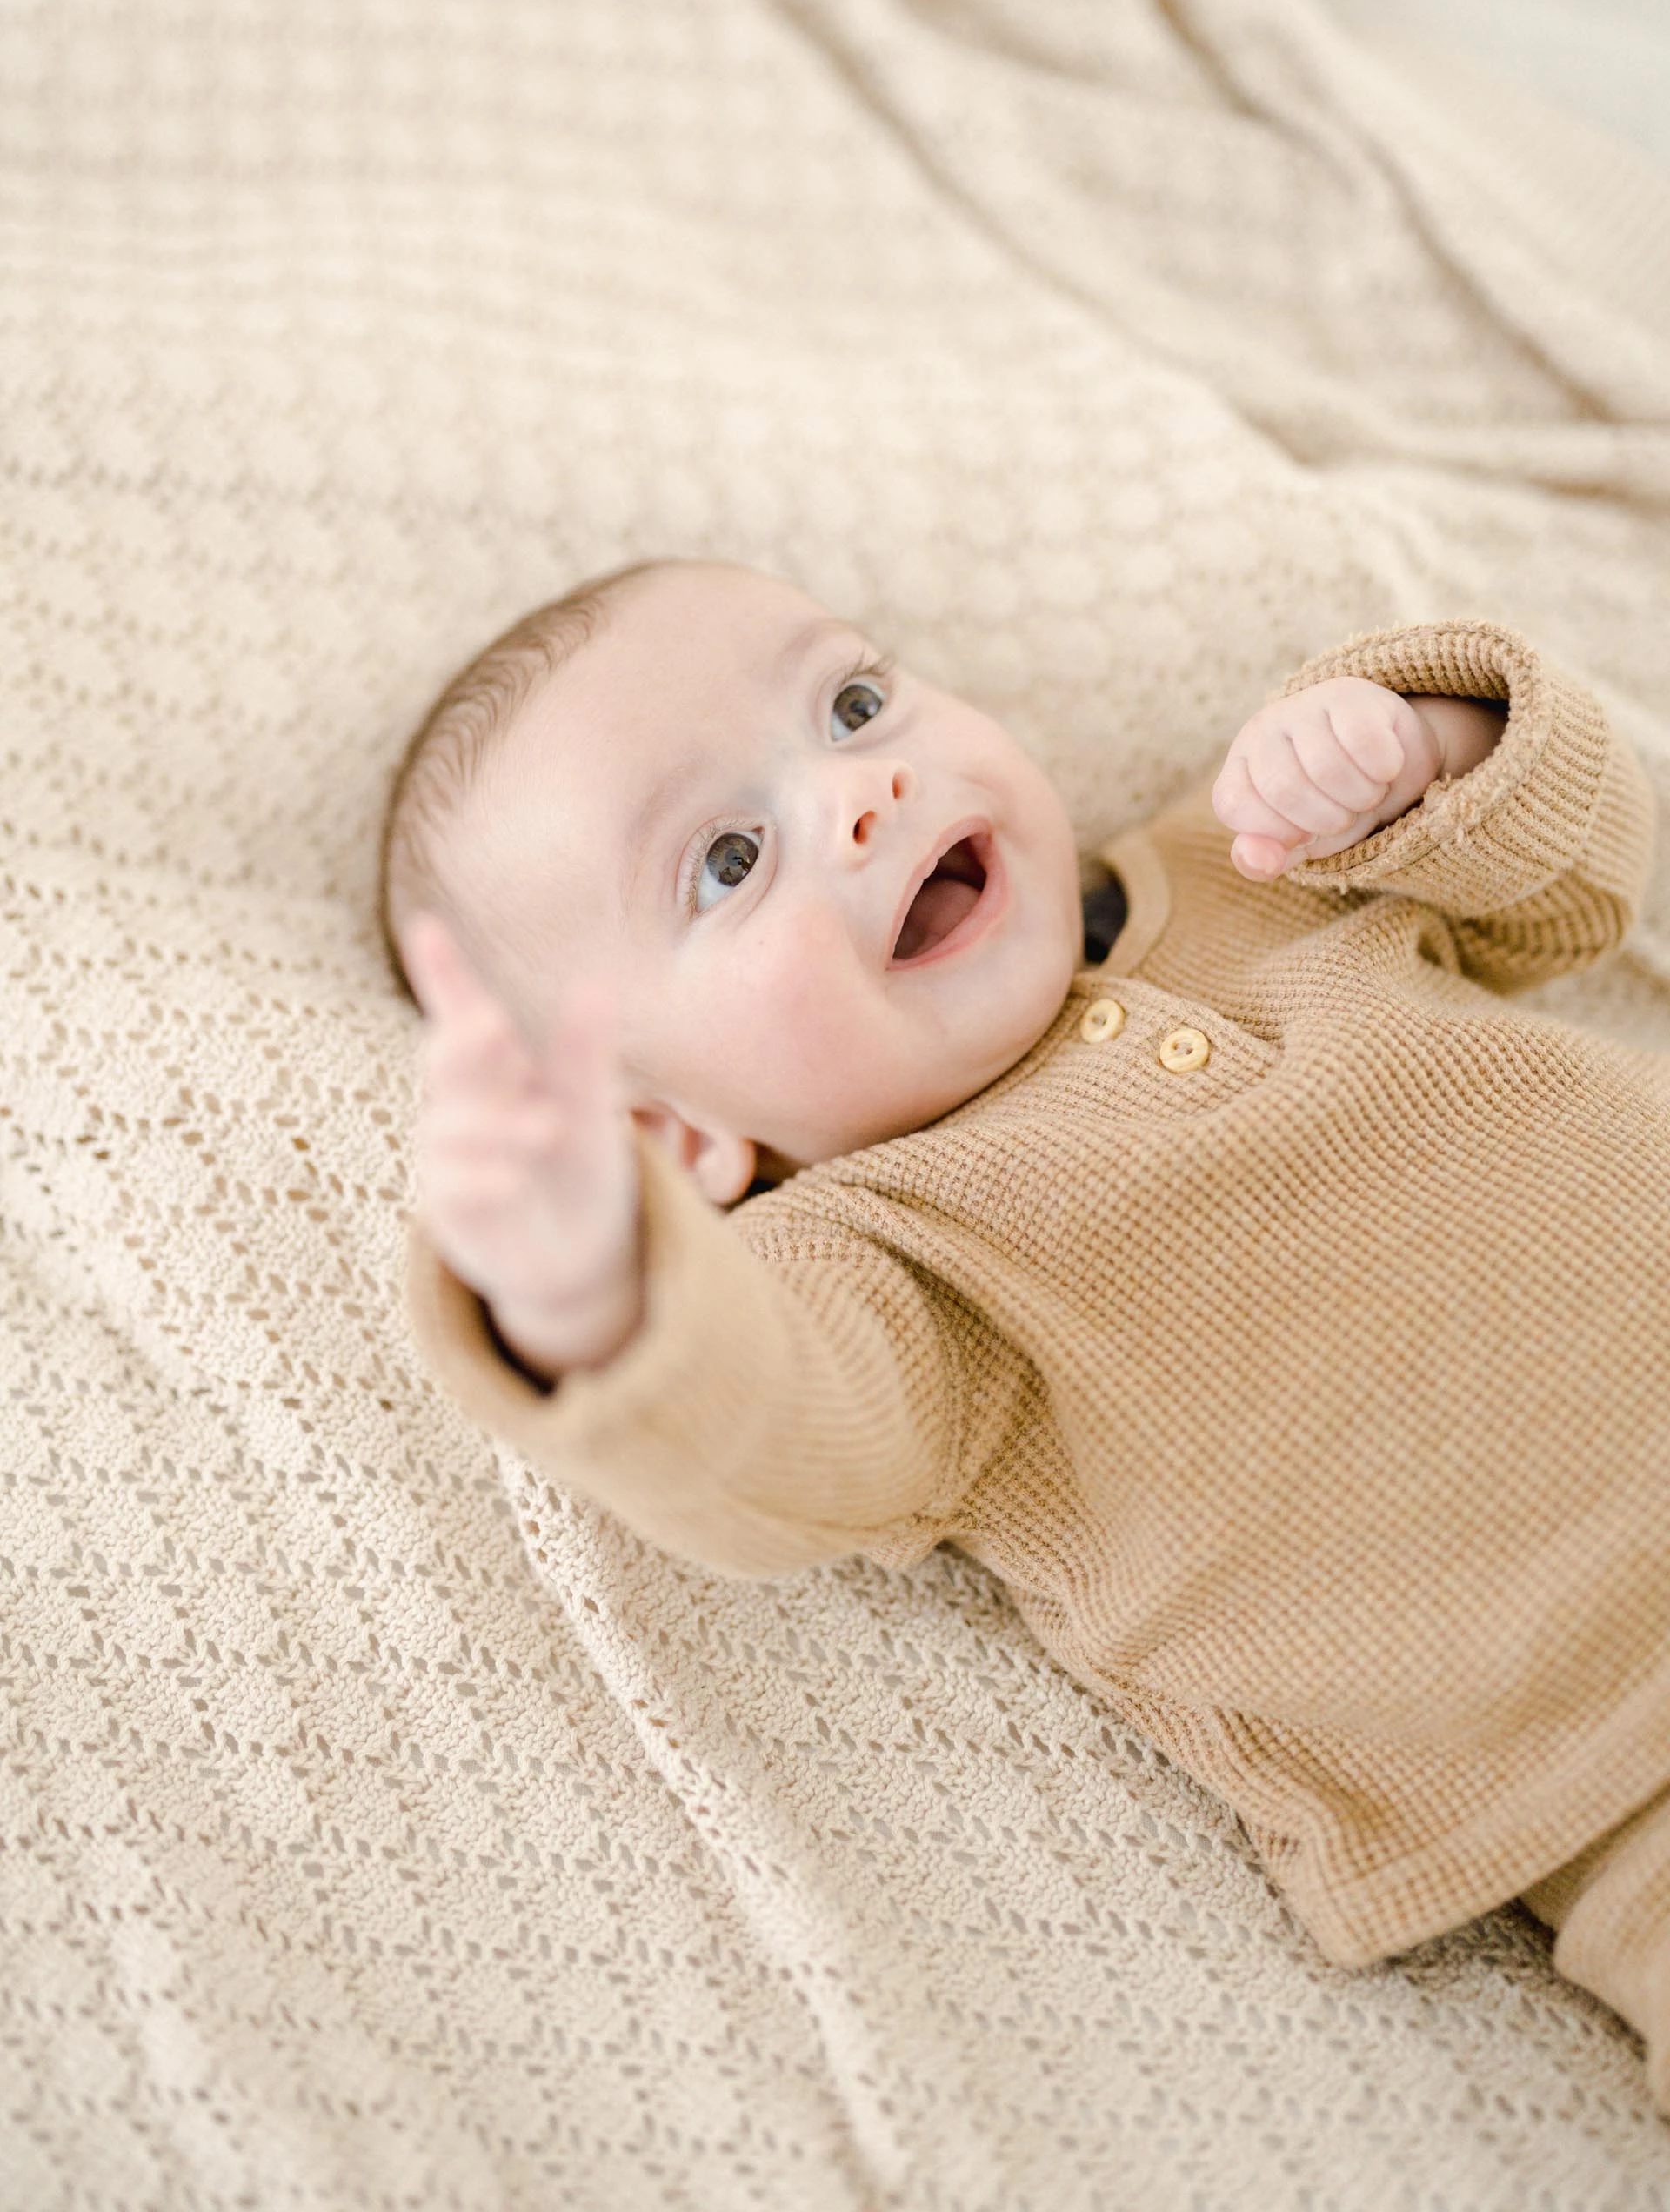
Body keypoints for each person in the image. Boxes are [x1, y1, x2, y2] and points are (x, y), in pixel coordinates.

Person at [381, 555, 1670, 2103]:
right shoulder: (881, 1266)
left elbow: (1579, 892)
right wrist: (597, 1285)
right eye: (726, 861)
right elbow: (773, 1434)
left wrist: (1428, 743)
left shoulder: (1256, 854)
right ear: (673, 1142)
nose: (859, 798)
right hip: (1607, 1756)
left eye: (853, 703)